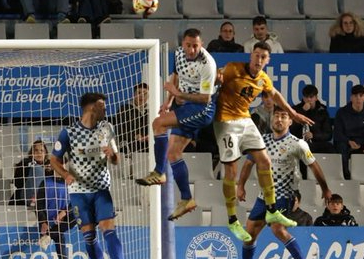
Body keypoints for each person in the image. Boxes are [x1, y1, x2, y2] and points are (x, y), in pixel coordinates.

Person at [214, 42, 315, 241]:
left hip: (244, 118)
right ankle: (233, 220)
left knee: (265, 161)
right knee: (231, 171)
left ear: (267, 60)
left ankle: (271, 210)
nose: (259, 60)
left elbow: (274, 93)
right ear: (251, 55)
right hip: (225, 121)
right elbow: (215, 76)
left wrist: (293, 113)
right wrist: (216, 79)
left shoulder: (263, 79)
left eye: (263, 57)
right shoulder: (233, 68)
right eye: (256, 55)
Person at [229, 106, 331, 259]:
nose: (279, 119)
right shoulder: (262, 141)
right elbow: (248, 164)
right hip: (264, 195)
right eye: (276, 116)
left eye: (284, 116)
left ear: (290, 121)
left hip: (285, 194)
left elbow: (314, 166)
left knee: (276, 228)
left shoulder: (297, 144)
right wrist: (241, 186)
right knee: (250, 233)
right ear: (271, 120)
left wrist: (325, 189)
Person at [135, 30, 217, 223]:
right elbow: (176, 77)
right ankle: (187, 199)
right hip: (185, 105)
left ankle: (159, 172)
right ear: (183, 44)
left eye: (195, 45)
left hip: (202, 109)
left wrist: (178, 94)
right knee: (173, 153)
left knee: (158, 123)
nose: (191, 49)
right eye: (188, 45)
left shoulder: (208, 64)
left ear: (201, 44)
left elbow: (206, 99)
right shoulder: (179, 54)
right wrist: (169, 100)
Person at [50, 92, 129, 259]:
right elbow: (53, 160)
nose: (106, 108)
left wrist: (113, 156)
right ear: (92, 107)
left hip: (101, 188)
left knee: (108, 229)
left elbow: (116, 159)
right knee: (89, 235)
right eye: (102, 105)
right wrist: (65, 175)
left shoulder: (106, 129)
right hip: (78, 192)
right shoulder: (68, 133)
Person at [333, 84, 364, 180]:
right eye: (355, 96)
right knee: (341, 146)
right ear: (351, 98)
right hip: (348, 143)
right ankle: (345, 176)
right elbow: (337, 133)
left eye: (361, 95)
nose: (358, 99)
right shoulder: (342, 113)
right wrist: (348, 141)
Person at [35, 169, 74, 259]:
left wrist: (64, 212)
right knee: (60, 237)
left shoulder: (70, 182)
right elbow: (39, 204)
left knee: (76, 214)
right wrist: (43, 222)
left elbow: (75, 202)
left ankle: (48, 236)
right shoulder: (46, 182)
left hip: (62, 220)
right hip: (47, 222)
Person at [288, 84, 335, 156]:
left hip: (316, 142)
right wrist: (302, 111)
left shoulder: (322, 111)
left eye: (311, 97)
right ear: (303, 98)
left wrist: (314, 135)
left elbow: (328, 135)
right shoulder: (295, 110)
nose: (309, 100)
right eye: (306, 97)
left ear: (316, 98)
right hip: (299, 142)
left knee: (330, 148)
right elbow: (291, 129)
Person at [11, 139, 53, 206]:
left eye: (41, 150)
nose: (39, 153)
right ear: (32, 152)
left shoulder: (51, 166)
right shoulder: (25, 163)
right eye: (36, 150)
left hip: (43, 200)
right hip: (22, 200)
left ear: (45, 153)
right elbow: (17, 182)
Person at [110, 82, 149, 154]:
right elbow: (120, 130)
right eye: (139, 93)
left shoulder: (151, 111)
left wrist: (147, 137)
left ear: (149, 96)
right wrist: (135, 136)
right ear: (134, 94)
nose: (142, 96)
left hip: (147, 149)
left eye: (145, 93)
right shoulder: (124, 109)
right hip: (128, 149)